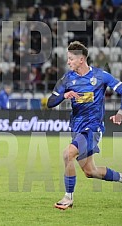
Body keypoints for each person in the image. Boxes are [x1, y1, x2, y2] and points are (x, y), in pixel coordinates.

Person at [47, 41, 122, 210]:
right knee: (90, 171)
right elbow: (51, 102)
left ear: (81, 59)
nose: (68, 62)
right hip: (77, 129)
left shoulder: (101, 76)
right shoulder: (67, 79)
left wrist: (120, 113)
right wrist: (64, 95)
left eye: (71, 59)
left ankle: (68, 198)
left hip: (93, 128)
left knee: (68, 154)